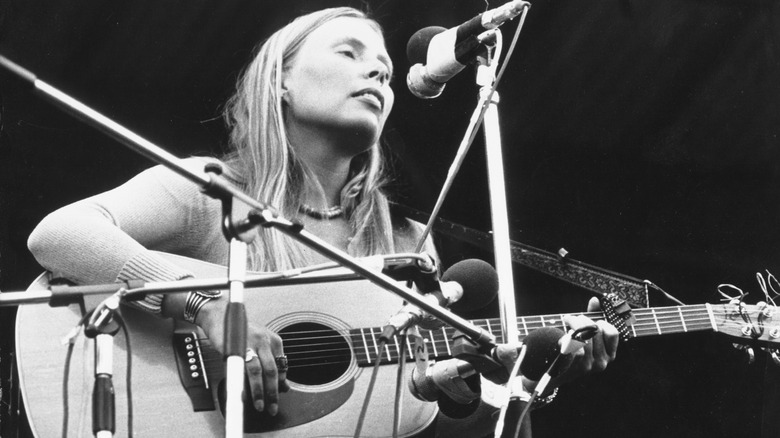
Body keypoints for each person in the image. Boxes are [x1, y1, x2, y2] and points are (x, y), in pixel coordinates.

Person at [27, 6, 618, 437]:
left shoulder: (409, 243)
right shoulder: (210, 189)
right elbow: (58, 234)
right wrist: (206, 306)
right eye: (350, 54)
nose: (379, 76)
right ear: (280, 79)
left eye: (386, 72)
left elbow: (407, 411)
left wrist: (458, 388)